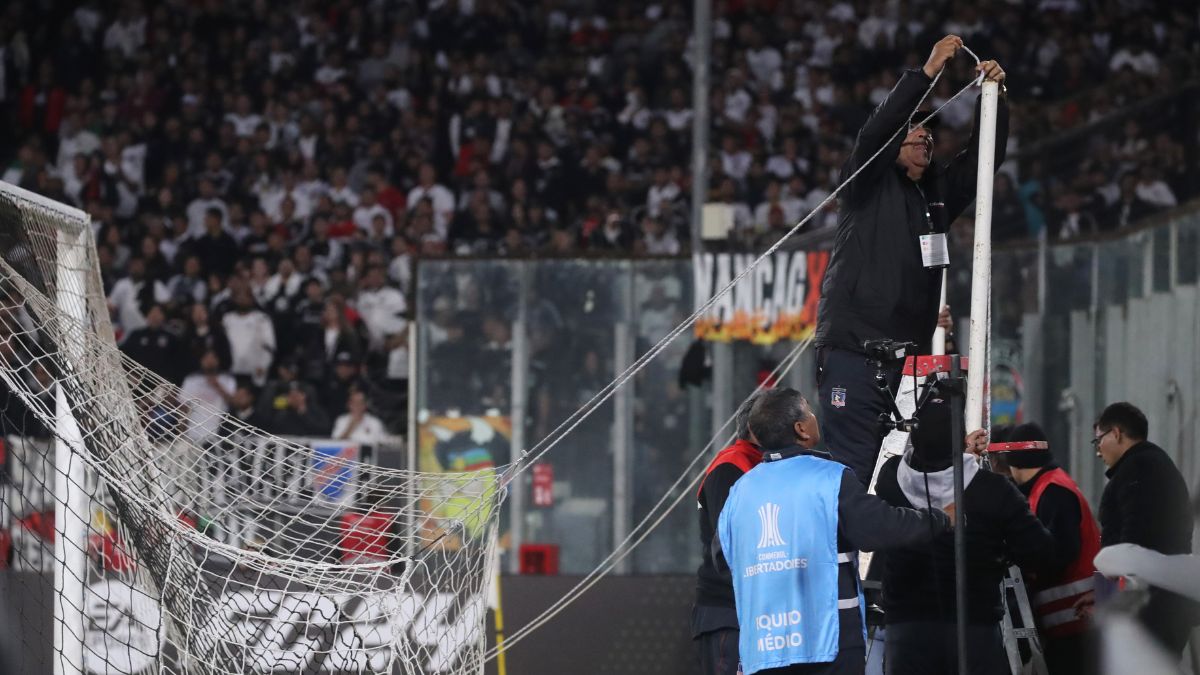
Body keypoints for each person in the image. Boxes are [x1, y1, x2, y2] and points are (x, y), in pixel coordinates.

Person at [814, 35, 1009, 486]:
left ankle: (887, 559)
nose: (925, 134)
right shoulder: (865, 184)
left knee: (908, 478)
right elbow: (876, 130)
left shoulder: (935, 195)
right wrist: (925, 75)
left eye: (929, 130)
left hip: (910, 363)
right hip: (854, 353)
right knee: (852, 476)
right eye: (914, 128)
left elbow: (984, 162)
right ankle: (844, 559)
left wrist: (993, 100)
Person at [715, 388, 953, 675]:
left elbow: (723, 560)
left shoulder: (740, 491)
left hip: (763, 649)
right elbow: (879, 528)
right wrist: (940, 519)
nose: (815, 417)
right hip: (826, 644)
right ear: (801, 429)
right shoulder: (829, 477)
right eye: (809, 412)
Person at [873, 397, 1054, 675]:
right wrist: (1001, 554)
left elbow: (929, 467)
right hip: (974, 630)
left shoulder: (889, 480)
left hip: (906, 632)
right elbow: (1040, 551)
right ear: (959, 440)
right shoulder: (993, 490)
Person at [987, 422, 1100, 675]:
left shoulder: (1052, 492)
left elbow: (1060, 553)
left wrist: (1019, 558)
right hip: (1069, 621)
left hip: (1075, 621)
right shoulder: (1048, 486)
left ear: (1010, 460)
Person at [1092, 402, 1196, 658]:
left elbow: (1136, 544)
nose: (1097, 452)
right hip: (1161, 603)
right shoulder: (1148, 465)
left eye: (1098, 441)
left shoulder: (1139, 470)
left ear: (1116, 433)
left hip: (1152, 607)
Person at [692, 390, 766, 675]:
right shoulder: (731, 467)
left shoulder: (768, 465)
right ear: (755, 428)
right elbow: (730, 546)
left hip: (754, 612)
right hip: (729, 612)